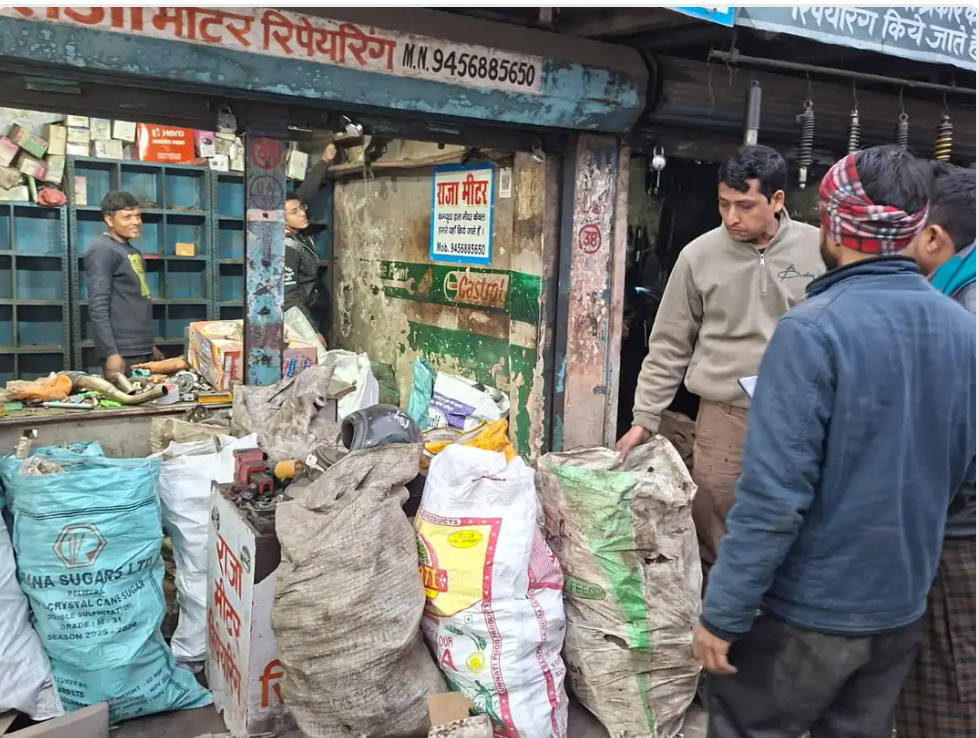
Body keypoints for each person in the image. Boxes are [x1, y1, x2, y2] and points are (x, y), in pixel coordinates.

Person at [693, 146, 977, 737]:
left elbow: (774, 497)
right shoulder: (962, 329)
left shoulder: (812, 330)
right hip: (899, 610)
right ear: (915, 229)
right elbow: (960, 476)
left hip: (813, 611)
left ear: (832, 225)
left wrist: (723, 613)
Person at [615, 145, 823, 580]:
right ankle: (718, 614)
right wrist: (645, 417)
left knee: (798, 521)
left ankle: (778, 612)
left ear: (777, 200)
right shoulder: (698, 256)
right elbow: (669, 344)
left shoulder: (819, 249)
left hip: (802, 415)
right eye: (724, 204)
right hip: (725, 417)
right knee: (714, 525)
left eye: (745, 205)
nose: (731, 217)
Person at [895, 163, 976, 738]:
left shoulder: (966, 303)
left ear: (932, 236)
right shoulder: (950, 287)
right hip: (945, 513)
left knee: (952, 678)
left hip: (960, 524)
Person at [83, 190, 160, 377]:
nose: (136, 222)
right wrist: (111, 352)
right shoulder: (102, 250)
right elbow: (98, 305)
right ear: (109, 220)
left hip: (140, 346)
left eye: (138, 216)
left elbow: (135, 299)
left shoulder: (130, 250)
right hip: (123, 350)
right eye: (127, 217)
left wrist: (150, 345)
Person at [284, 142, 337, 346]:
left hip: (308, 308)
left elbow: (305, 192)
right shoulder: (287, 249)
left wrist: (325, 160)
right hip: (294, 318)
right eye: (294, 212)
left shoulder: (296, 230)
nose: (303, 213)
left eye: (302, 208)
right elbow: (290, 300)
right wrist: (312, 333)